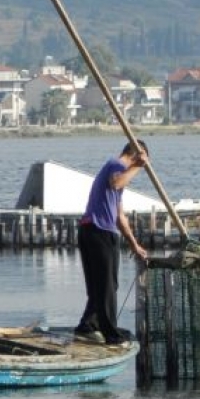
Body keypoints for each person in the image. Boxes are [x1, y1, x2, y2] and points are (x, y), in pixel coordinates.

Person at [74, 140, 149, 346]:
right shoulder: (117, 166)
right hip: (99, 231)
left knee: (102, 286)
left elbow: (120, 216)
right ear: (135, 155)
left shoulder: (115, 173)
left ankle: (87, 326)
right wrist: (138, 166)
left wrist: (134, 244)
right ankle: (111, 334)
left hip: (90, 230)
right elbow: (117, 182)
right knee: (107, 286)